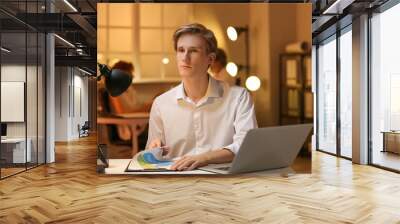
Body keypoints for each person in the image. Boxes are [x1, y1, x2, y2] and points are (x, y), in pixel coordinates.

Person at [146, 23, 257, 171]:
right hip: (176, 182)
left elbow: (246, 145)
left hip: (225, 182)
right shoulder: (161, 103)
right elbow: (151, 155)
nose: (185, 57)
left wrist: (204, 158)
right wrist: (155, 150)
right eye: (181, 50)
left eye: (193, 51)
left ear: (210, 59)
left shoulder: (239, 98)